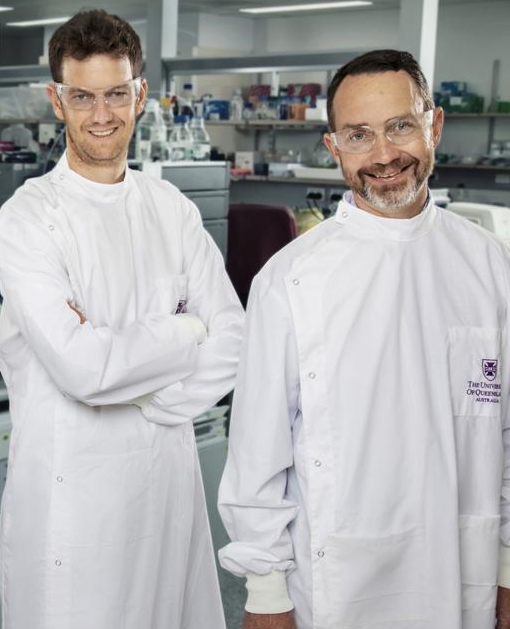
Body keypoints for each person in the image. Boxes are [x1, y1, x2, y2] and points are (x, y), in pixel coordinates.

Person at [218, 48, 510, 629]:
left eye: (401, 126)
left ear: (435, 125)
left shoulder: (490, 264)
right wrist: (266, 593)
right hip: (340, 580)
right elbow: (256, 454)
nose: (383, 155)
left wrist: (507, 567)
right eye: (358, 135)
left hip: (464, 569)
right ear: (334, 149)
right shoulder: (291, 279)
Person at [0, 9, 243, 628]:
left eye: (115, 94)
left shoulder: (171, 209)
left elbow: (236, 337)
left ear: (140, 94)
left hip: (165, 491)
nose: (101, 115)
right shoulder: (27, 219)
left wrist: (147, 394)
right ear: (57, 99)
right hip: (73, 503)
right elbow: (84, 370)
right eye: (82, 96)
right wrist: (187, 329)